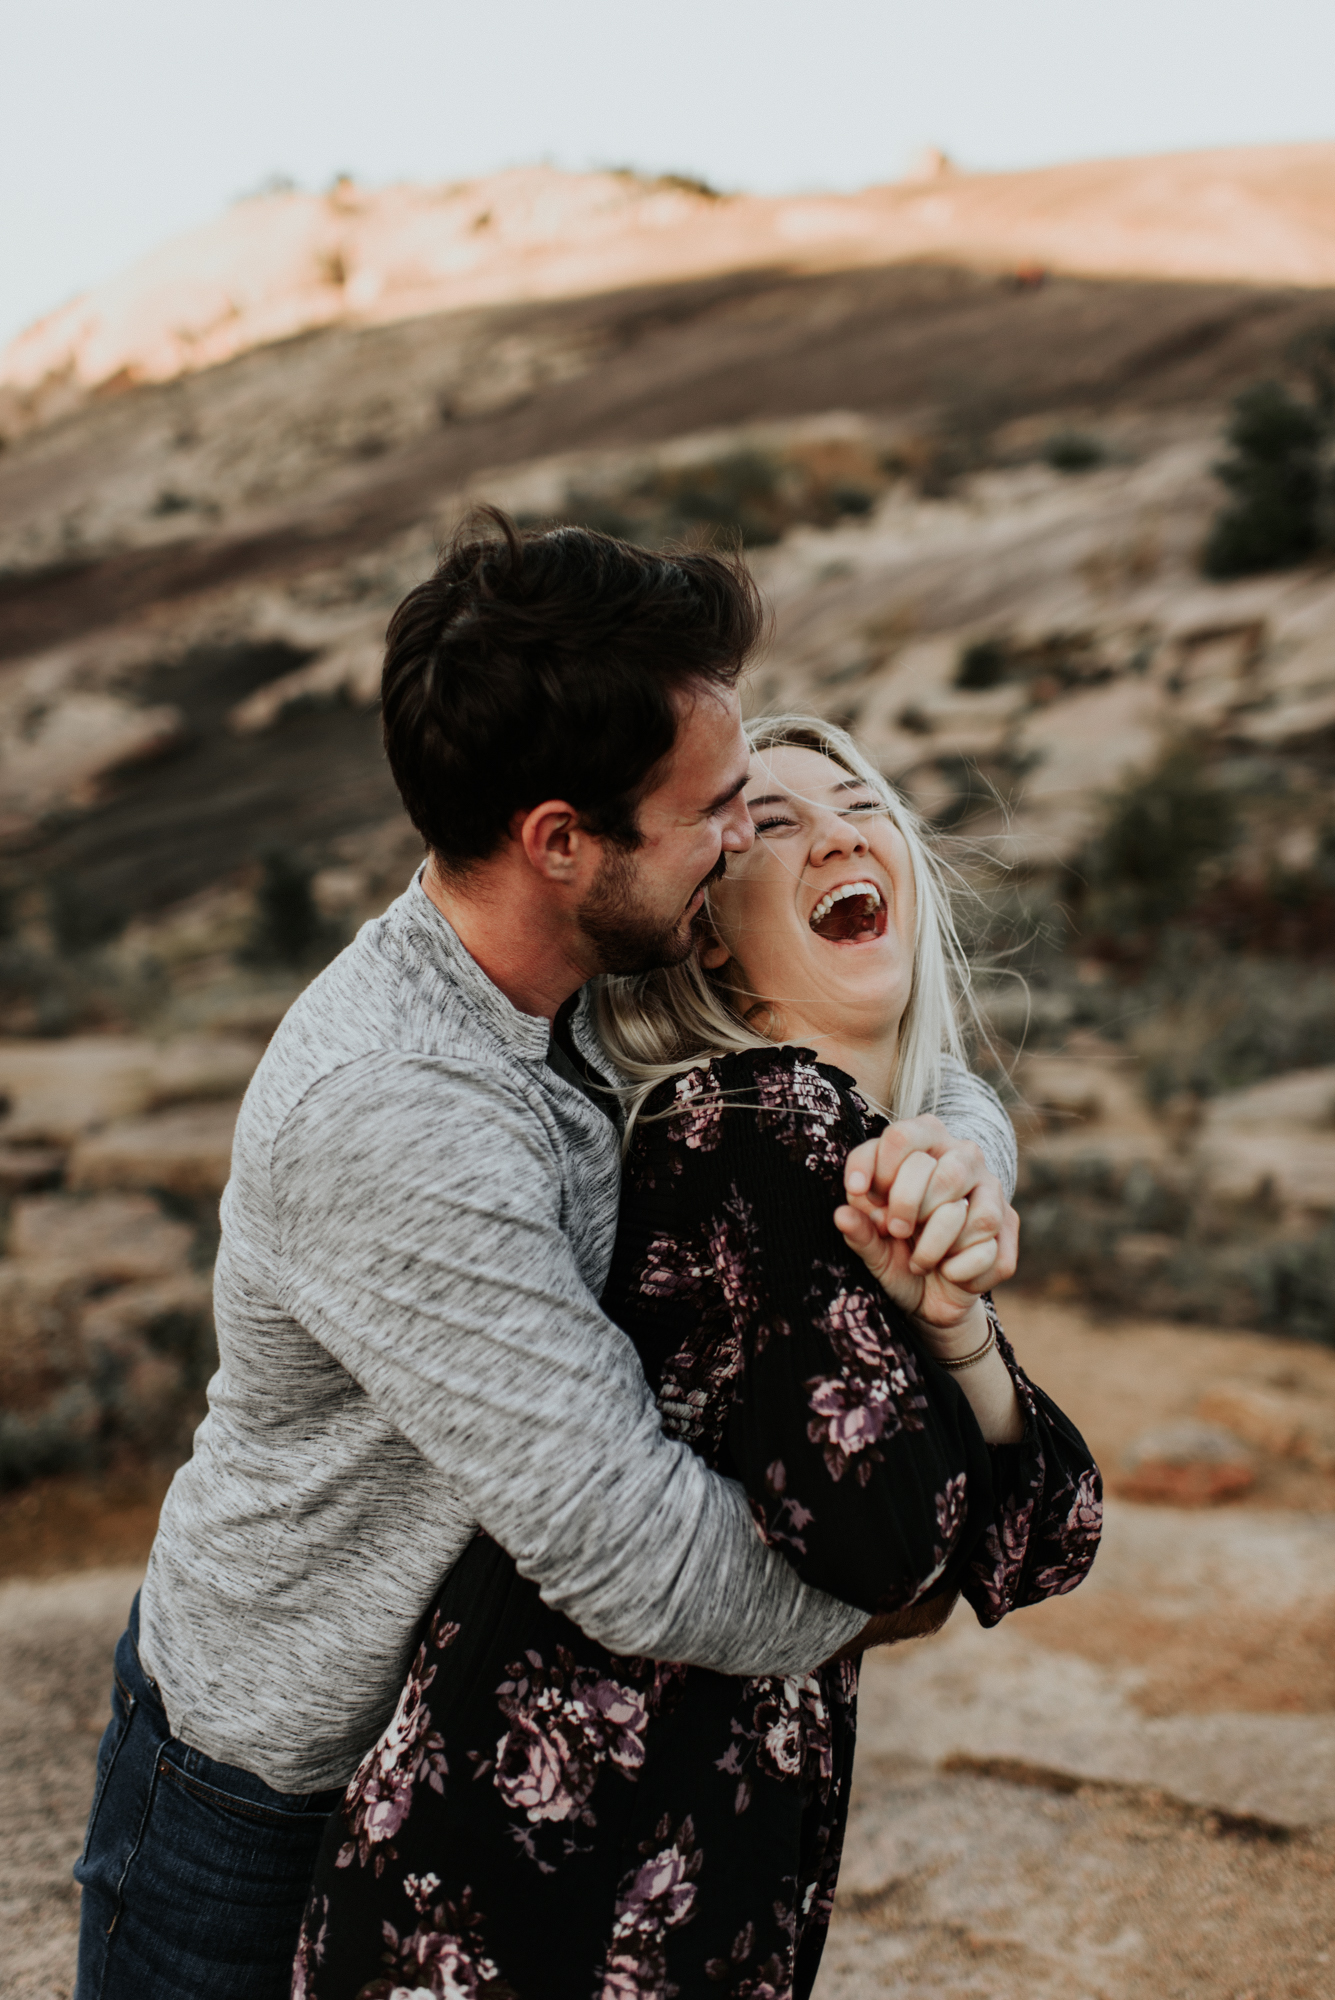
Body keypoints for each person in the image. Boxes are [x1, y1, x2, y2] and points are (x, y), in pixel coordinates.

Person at [74, 518, 1021, 2000]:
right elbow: (633, 1550)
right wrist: (902, 1571)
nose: (739, 839)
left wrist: (960, 1160)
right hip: (271, 1780)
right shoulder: (398, 1113)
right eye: (714, 810)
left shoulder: (595, 969)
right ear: (563, 842)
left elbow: (887, 1058)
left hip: (471, 1765)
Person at [294, 711, 1101, 2000]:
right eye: (771, 822)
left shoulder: (854, 1140)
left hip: (630, 1863)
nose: (839, 828)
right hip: (542, 1887)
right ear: (711, 937)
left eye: (859, 801)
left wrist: (955, 1332)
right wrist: (967, 1378)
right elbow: (895, 1548)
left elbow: (1043, 1540)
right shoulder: (752, 1127)